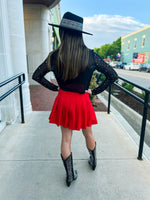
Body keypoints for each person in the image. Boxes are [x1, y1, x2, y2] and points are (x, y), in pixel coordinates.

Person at [32, 12, 118, 187]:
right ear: (80, 34)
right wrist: (94, 91)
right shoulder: (91, 56)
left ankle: (70, 175)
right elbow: (112, 75)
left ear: (62, 33)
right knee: (88, 133)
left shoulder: (54, 56)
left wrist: (55, 88)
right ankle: (93, 161)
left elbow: (36, 76)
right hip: (82, 101)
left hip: (64, 100)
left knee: (65, 139)